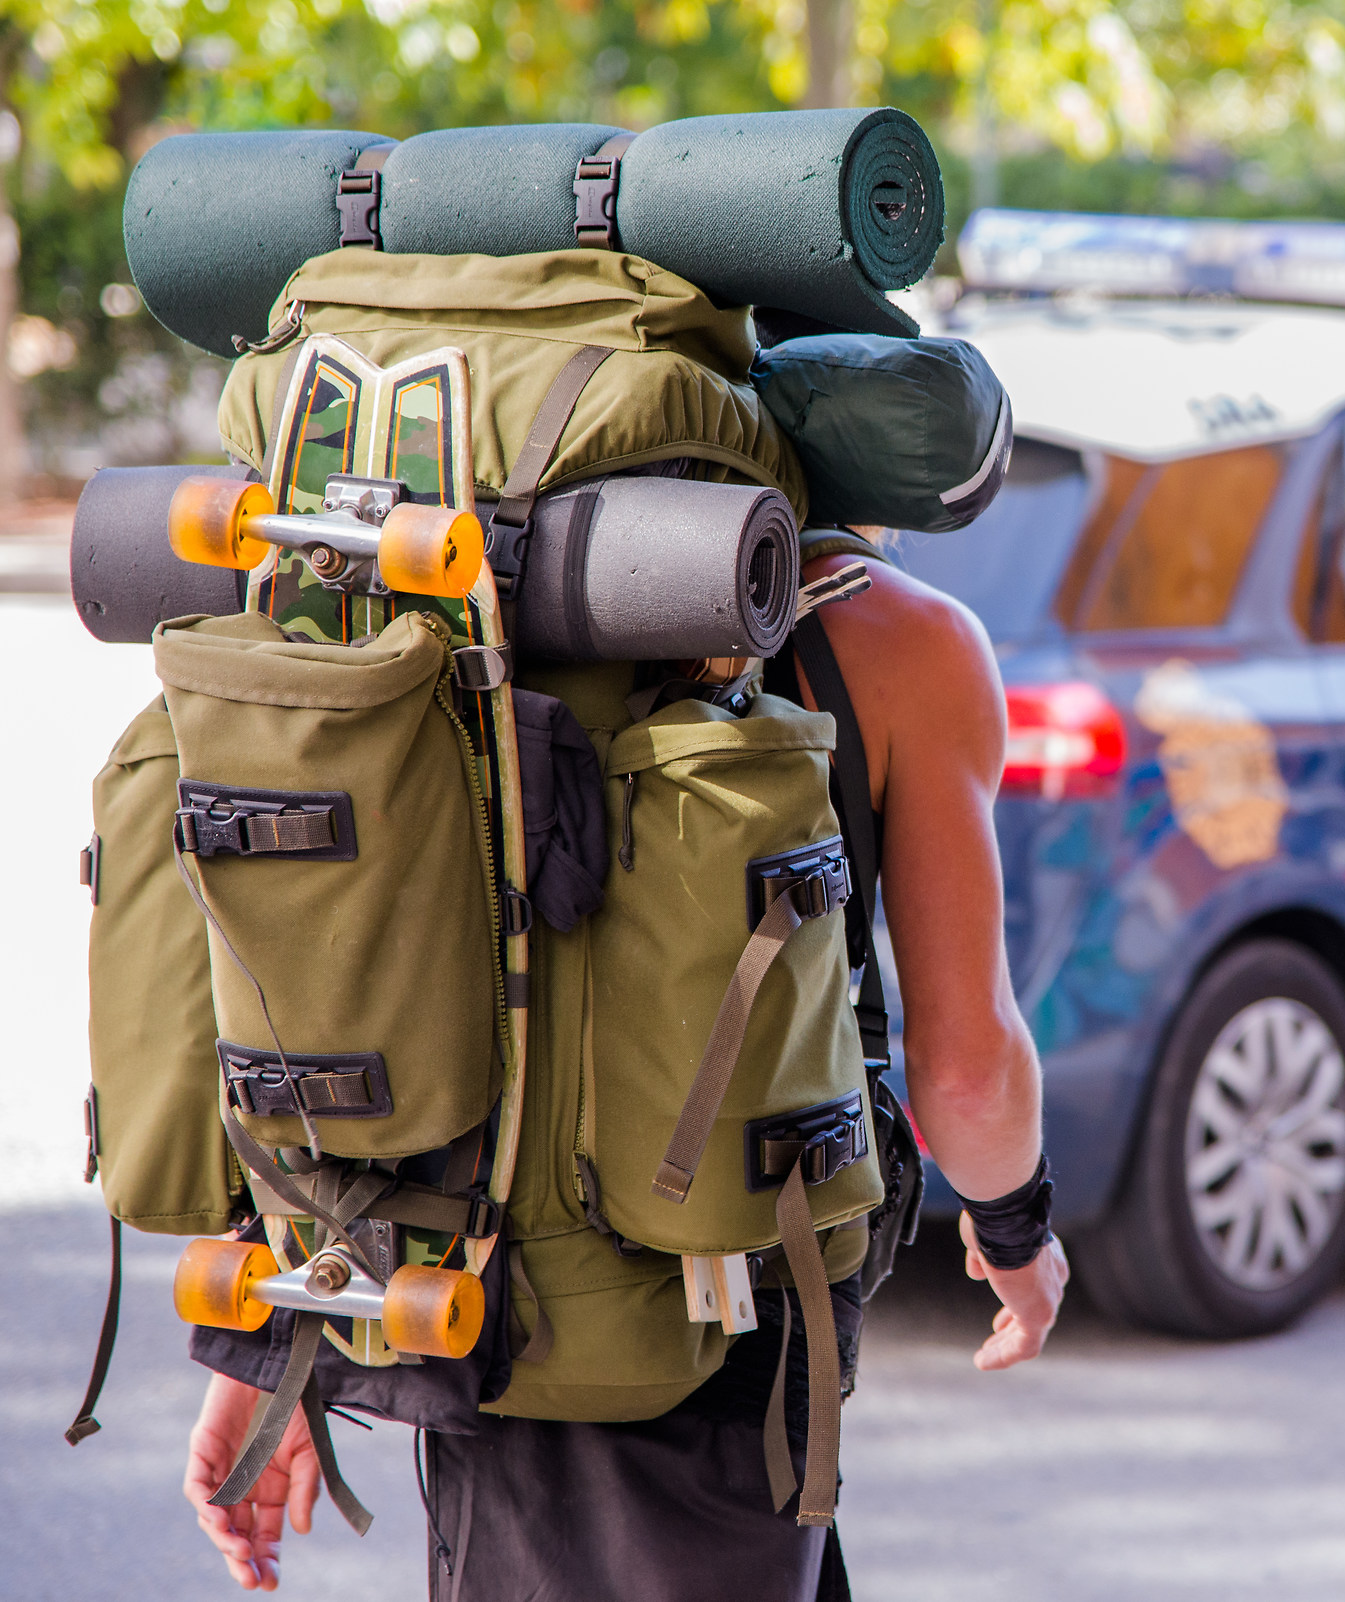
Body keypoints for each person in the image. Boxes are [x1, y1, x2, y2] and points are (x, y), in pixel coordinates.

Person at [181, 534, 1071, 1596]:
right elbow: (969, 1080)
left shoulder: (431, 570)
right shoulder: (897, 635)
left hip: (450, 1295)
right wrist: (1017, 1230)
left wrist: (275, 1327)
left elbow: (297, 950)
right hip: (731, 1307)